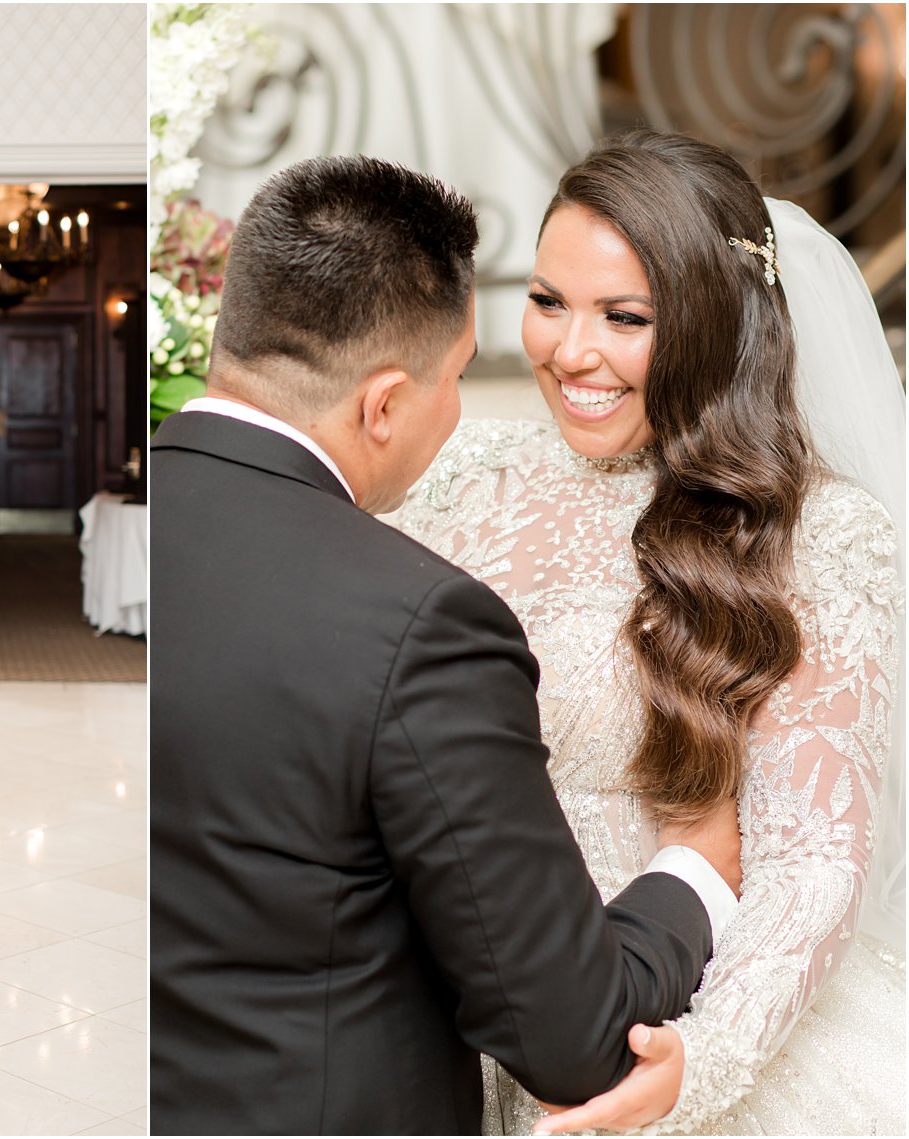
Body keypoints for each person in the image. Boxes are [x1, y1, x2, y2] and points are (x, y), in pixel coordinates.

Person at [150, 155, 744, 1136]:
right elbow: (572, 1040)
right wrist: (691, 873)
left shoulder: (146, 521)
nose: (462, 409)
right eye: (456, 376)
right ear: (380, 404)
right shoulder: (419, 621)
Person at [386, 130, 904, 1134]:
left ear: (714, 322)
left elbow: (813, 858)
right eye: (545, 301)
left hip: (670, 1014)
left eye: (623, 317)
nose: (568, 350)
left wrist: (692, 1066)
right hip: (433, 1024)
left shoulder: (819, 536)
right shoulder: (462, 474)